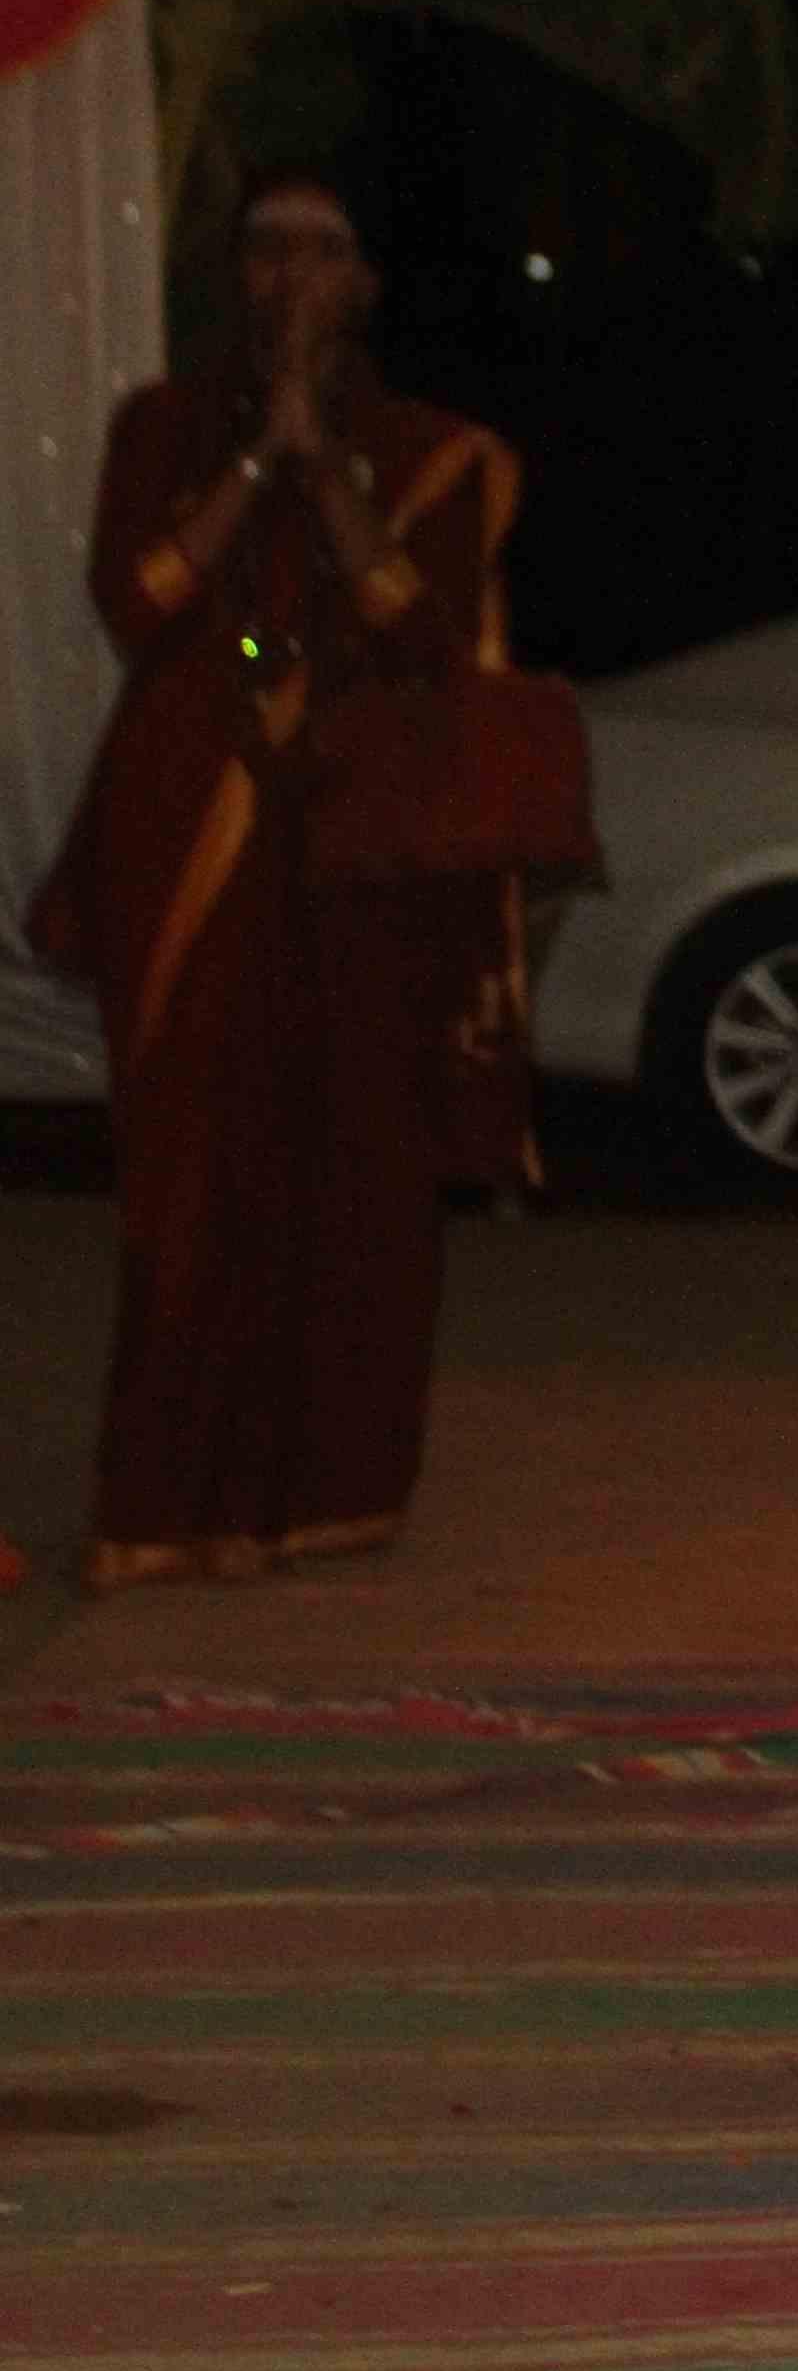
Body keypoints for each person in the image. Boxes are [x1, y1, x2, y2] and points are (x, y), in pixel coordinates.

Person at [27, 180, 526, 1588]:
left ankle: (330, 1494)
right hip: (188, 824)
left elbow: (424, 641)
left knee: (355, 1162)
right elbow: (139, 604)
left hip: (362, 843)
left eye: (325, 247)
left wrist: (328, 472)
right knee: (190, 1175)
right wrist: (259, 462)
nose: (293, 272)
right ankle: (167, 1508)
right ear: (232, 276)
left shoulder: (437, 454)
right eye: (267, 247)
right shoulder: (161, 429)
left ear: (366, 284)